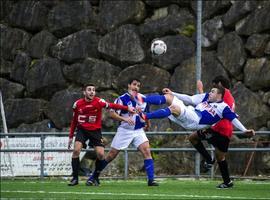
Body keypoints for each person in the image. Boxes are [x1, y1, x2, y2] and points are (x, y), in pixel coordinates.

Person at [87, 78, 159, 186]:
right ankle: (94, 176)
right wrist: (124, 119)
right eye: (134, 84)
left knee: (147, 151)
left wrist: (147, 124)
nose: (136, 87)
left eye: (138, 85)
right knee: (111, 155)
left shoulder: (143, 99)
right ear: (129, 85)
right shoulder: (121, 99)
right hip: (125, 131)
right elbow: (112, 114)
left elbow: (146, 114)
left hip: (138, 130)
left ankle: (151, 180)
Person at [68, 83, 135, 186]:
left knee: (100, 154)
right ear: (84, 92)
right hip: (82, 130)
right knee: (76, 150)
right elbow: (74, 121)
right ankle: (75, 179)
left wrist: (127, 108)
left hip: (95, 131)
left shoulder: (99, 102)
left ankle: (95, 177)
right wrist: (70, 136)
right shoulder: (77, 104)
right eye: (89, 90)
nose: (91, 92)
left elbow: (112, 105)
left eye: (93, 90)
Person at [133, 85, 255, 137]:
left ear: (220, 95)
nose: (210, 93)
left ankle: (145, 116)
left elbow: (233, 119)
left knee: (174, 108)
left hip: (196, 121)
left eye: (213, 91)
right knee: (169, 98)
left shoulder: (223, 107)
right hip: (191, 112)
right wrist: (172, 93)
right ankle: (142, 99)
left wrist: (244, 130)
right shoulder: (206, 97)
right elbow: (190, 99)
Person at [189, 76, 237, 189]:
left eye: (214, 85)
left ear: (219, 84)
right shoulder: (227, 96)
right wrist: (201, 91)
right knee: (193, 137)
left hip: (222, 130)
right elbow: (208, 103)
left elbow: (213, 105)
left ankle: (226, 180)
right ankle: (210, 161)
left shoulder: (225, 94)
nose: (212, 88)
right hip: (216, 128)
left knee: (220, 157)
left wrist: (201, 91)